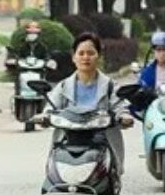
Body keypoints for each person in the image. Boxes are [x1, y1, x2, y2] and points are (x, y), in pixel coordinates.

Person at [44, 32, 134, 177]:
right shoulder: (63, 87)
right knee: (54, 180)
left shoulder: (110, 86)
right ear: (74, 57)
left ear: (98, 56)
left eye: (91, 53)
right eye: (81, 53)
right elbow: (50, 108)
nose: (86, 57)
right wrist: (44, 117)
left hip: (101, 141)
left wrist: (123, 116)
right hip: (68, 140)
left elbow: (119, 106)